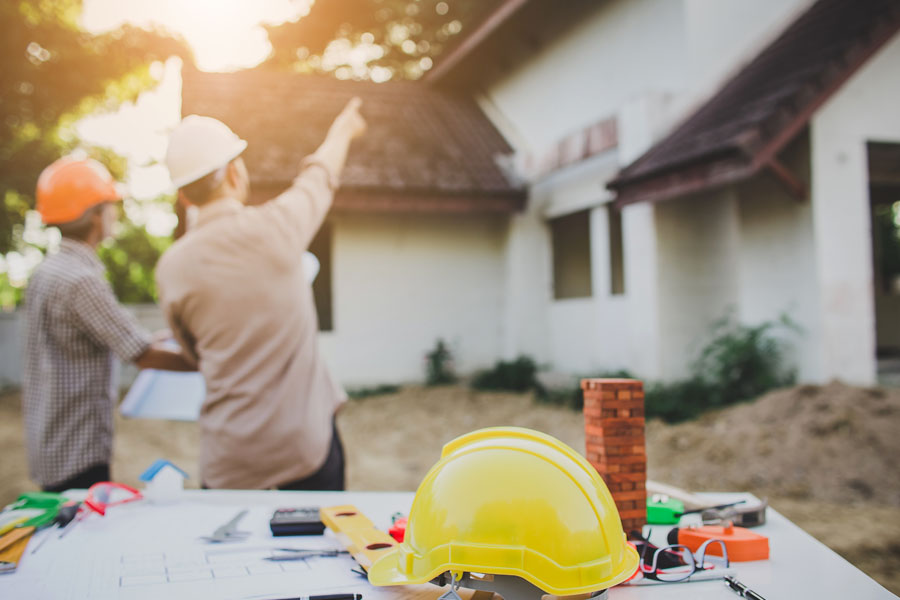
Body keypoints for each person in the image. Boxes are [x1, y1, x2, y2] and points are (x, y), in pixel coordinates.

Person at [156, 98, 366, 490]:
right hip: (304, 450)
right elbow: (319, 176)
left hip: (229, 462)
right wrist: (343, 129)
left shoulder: (171, 268)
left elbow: (193, 354)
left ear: (185, 196)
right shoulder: (278, 228)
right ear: (235, 173)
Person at [23, 156, 196, 493]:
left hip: (50, 443)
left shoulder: (46, 272)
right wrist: (213, 364)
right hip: (77, 450)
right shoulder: (81, 280)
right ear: (93, 215)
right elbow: (142, 354)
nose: (115, 214)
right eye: (110, 206)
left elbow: (119, 336)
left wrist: (169, 337)